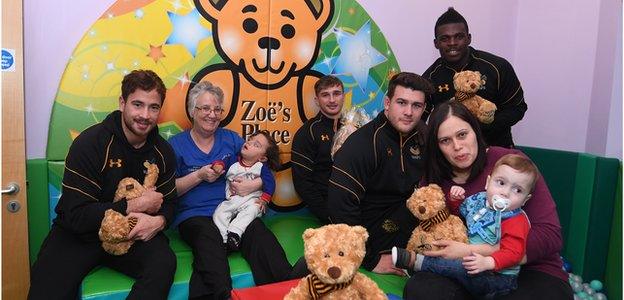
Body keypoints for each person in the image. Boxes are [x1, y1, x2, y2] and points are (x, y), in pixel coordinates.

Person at [28, 70, 178, 300]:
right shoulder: (89, 144)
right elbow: (76, 215)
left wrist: (159, 221)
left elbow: (170, 203)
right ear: (122, 103)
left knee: (163, 263)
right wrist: (134, 204)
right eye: (137, 104)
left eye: (153, 107)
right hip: (79, 235)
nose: (145, 115)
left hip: (131, 235)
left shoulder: (163, 151)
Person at [403, 101, 572, 299]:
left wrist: (479, 253)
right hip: (467, 271)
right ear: (436, 146)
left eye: (462, 134)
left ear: (475, 130)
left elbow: (550, 236)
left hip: (530, 269)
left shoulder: (511, 165)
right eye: (445, 141)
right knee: (420, 290)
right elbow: (430, 233)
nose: (458, 146)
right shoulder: (433, 182)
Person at [169, 81, 294, 300]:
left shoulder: (231, 139)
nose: (212, 114)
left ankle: (288, 289)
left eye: (217, 109)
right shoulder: (176, 145)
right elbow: (169, 191)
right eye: (205, 108)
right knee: (209, 239)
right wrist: (198, 176)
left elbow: (263, 167)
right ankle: (222, 296)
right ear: (192, 111)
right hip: (195, 216)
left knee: (258, 233)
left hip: (234, 208)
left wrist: (254, 185)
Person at [327, 72, 434, 275]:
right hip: (373, 235)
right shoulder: (362, 144)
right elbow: (339, 206)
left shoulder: (423, 135)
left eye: (416, 106)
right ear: (387, 102)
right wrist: (369, 259)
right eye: (401, 103)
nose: (409, 112)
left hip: (410, 225)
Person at [393, 153, 538, 298]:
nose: (505, 193)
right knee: (454, 265)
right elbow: (459, 215)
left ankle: (416, 261)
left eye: (517, 190)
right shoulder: (479, 200)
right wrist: (455, 200)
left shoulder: (515, 220)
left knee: (462, 268)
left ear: (525, 199)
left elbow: (514, 253)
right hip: (473, 263)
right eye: (501, 183)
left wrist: (489, 262)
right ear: (488, 182)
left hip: (497, 278)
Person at [423, 7, 527, 148]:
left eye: (459, 36)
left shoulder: (497, 67)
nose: (452, 43)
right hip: (453, 155)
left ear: (469, 38)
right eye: (445, 38)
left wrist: (483, 127)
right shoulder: (430, 78)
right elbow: (419, 118)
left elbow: (517, 108)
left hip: (496, 150)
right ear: (436, 43)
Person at [213, 130, 280, 252]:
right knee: (219, 213)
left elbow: (270, 183)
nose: (249, 143)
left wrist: (264, 200)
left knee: (253, 210)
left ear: (263, 157)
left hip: (251, 200)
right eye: (250, 140)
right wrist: (218, 165)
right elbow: (222, 161)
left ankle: (234, 234)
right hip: (233, 199)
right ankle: (223, 241)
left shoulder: (261, 168)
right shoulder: (233, 160)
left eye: (256, 145)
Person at [291, 75, 345, 223]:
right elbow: (303, 182)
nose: (332, 100)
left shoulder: (354, 128)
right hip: (327, 210)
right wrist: (328, 215)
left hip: (356, 206)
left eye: (336, 93)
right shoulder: (307, 132)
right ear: (317, 100)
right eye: (325, 95)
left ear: (343, 96)